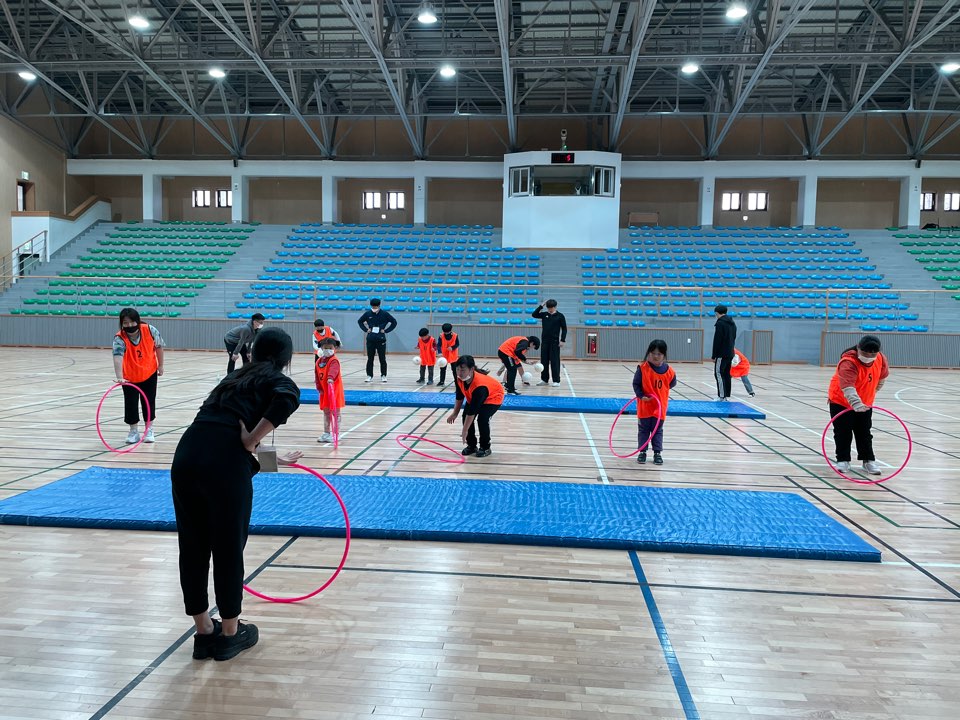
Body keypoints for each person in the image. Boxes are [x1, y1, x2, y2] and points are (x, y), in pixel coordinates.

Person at [171, 327, 302, 662]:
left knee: (194, 547)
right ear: (285, 358)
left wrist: (261, 451)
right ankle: (231, 633)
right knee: (228, 550)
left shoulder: (231, 379)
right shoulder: (278, 379)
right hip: (224, 465)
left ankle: (204, 632)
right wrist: (251, 441)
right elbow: (287, 398)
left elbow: (221, 429)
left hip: (186, 457)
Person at [827, 335, 889, 475]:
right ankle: (843, 460)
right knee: (843, 432)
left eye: (872, 354)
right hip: (841, 401)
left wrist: (871, 393)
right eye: (865, 354)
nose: (869, 357)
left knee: (864, 432)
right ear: (858, 349)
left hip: (865, 402)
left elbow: (882, 377)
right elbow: (847, 386)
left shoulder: (880, 358)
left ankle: (868, 460)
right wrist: (856, 403)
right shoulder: (848, 362)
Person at [112, 307, 165, 444]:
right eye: (125, 323)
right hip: (129, 376)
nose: (129, 326)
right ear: (121, 323)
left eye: (132, 322)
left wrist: (161, 365)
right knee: (130, 403)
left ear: (137, 320)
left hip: (149, 372)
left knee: (149, 401)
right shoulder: (119, 337)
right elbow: (118, 357)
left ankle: (149, 430)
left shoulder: (150, 330)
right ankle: (133, 431)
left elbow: (159, 347)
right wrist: (119, 377)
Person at [447, 355, 504, 458]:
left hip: (493, 397)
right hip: (473, 395)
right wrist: (455, 413)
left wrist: (464, 431)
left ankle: (485, 447)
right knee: (465, 417)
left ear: (471, 369)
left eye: (463, 370)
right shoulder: (460, 377)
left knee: (482, 419)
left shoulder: (480, 386)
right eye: (458, 369)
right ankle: (472, 446)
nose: (459, 373)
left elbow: (472, 412)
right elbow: (459, 396)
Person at [632, 339, 677, 466]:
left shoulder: (669, 371)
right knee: (643, 430)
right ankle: (642, 452)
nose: (656, 356)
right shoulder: (642, 368)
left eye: (659, 354)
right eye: (653, 353)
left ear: (664, 355)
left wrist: (660, 392)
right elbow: (636, 384)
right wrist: (641, 396)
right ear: (648, 353)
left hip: (660, 407)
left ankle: (657, 453)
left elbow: (672, 383)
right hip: (645, 407)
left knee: (657, 431)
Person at [357, 298, 398, 383]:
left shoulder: (385, 314)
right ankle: (369, 375)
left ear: (379, 306)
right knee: (370, 358)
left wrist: (386, 330)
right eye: (372, 306)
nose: (374, 308)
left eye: (375, 306)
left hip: (381, 339)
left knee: (382, 358)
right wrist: (366, 330)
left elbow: (394, 322)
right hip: (371, 339)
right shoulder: (368, 313)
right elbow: (360, 321)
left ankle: (383, 375)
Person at [314, 336, 344, 444]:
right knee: (326, 412)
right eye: (325, 348)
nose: (327, 350)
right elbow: (317, 376)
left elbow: (333, 370)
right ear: (321, 348)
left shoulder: (334, 360)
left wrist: (330, 378)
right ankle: (326, 432)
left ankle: (336, 433)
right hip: (324, 391)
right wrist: (319, 388)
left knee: (335, 412)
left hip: (334, 390)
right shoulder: (318, 362)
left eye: (330, 348)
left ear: (334, 347)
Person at [532, 299, 568, 386]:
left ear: (555, 307)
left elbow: (564, 328)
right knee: (544, 361)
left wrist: (562, 340)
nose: (549, 310)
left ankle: (556, 381)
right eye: (548, 308)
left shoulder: (560, 316)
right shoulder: (545, 314)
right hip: (545, 341)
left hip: (555, 342)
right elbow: (534, 314)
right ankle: (544, 380)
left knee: (554, 361)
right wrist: (541, 305)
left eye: (551, 308)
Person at [711, 304, 737, 400]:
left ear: (717, 313)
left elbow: (717, 340)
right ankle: (726, 396)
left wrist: (714, 355)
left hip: (721, 353)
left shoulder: (720, 323)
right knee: (726, 374)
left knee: (718, 373)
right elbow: (734, 337)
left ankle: (721, 396)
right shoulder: (732, 323)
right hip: (730, 352)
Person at [436, 322, 460, 387]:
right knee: (442, 369)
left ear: (450, 330)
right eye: (445, 332)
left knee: (454, 370)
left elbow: (457, 344)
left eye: (447, 332)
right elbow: (438, 345)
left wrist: (452, 347)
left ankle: (457, 383)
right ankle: (441, 382)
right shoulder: (441, 335)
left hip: (453, 355)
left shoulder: (455, 335)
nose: (446, 333)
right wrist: (440, 352)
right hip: (444, 356)